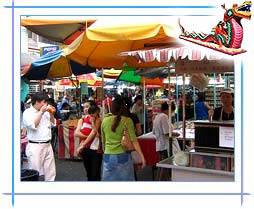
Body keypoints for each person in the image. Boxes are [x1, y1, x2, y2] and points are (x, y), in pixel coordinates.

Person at [101, 95, 146, 181]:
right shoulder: (127, 120)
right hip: (123, 155)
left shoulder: (105, 121)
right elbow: (134, 141)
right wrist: (142, 157)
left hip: (108, 156)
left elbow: (103, 142)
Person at [22, 91, 56, 181]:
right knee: (34, 172)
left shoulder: (46, 112)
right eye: (44, 102)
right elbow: (33, 125)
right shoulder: (27, 113)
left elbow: (52, 124)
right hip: (35, 145)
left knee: (50, 172)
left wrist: (52, 113)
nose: (46, 104)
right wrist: (41, 112)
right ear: (37, 102)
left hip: (47, 144)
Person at [75, 101, 103, 181]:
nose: (85, 109)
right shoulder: (82, 119)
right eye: (84, 107)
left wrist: (83, 144)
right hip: (85, 148)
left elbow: (94, 133)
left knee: (95, 173)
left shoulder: (98, 119)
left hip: (95, 149)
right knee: (89, 172)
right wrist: (88, 138)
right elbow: (76, 133)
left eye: (87, 107)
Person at [152, 101, 180, 180]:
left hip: (160, 145)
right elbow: (167, 133)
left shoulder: (157, 116)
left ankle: (159, 181)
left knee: (161, 167)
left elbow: (154, 131)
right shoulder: (164, 117)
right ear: (169, 109)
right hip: (165, 145)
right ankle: (161, 182)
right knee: (164, 167)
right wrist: (176, 134)